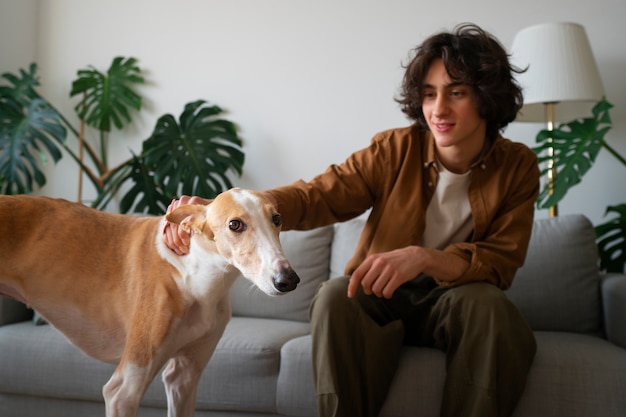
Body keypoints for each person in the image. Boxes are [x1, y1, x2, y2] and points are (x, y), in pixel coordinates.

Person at [163, 23, 540, 417]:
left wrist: (424, 257)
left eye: (456, 93)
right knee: (335, 296)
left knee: (489, 305)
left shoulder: (518, 166)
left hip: (459, 300)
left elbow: (500, 261)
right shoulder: (394, 148)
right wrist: (234, 209)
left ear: (486, 97)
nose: (438, 109)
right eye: (428, 94)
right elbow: (321, 194)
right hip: (382, 297)